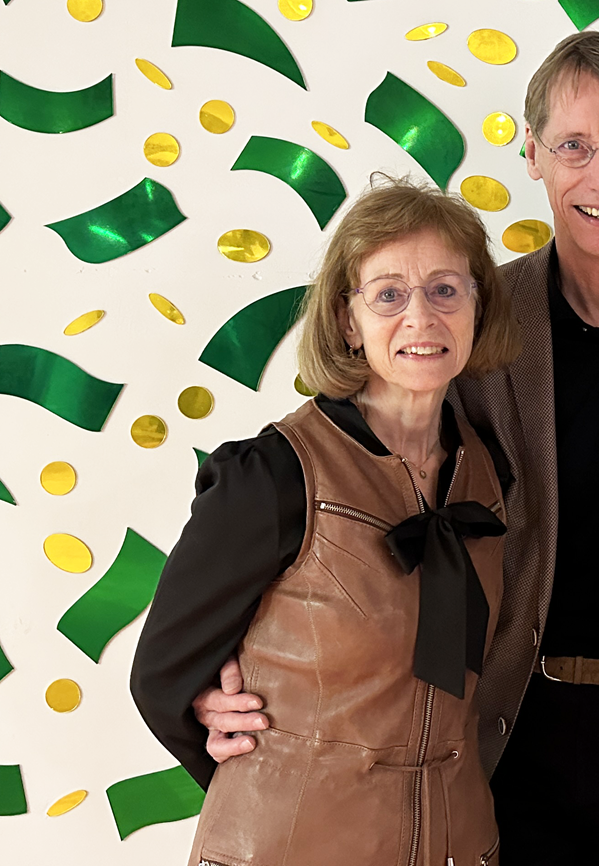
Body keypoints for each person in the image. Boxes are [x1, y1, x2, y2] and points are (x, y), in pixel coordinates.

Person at [190, 32, 599, 866]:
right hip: (506, 725)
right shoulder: (476, 317)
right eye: (574, 147)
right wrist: (222, 667)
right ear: (534, 158)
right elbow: (357, 471)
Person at [130, 176, 519, 866]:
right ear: (347, 320)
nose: (421, 317)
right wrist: (219, 723)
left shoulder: (487, 475)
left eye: (445, 289)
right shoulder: (274, 475)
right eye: (388, 294)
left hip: (457, 845)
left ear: (476, 306)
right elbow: (164, 673)